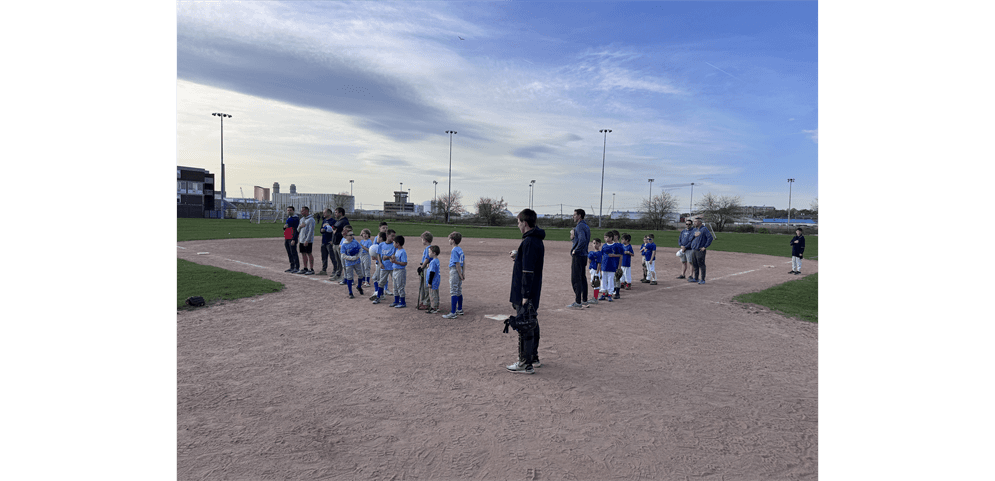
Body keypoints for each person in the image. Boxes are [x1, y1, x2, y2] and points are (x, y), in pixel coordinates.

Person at [506, 209, 545, 374]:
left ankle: (525, 363)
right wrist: (519, 256)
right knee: (532, 321)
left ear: (525, 223)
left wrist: (524, 295)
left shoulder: (529, 242)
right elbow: (529, 263)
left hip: (525, 292)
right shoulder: (534, 240)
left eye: (518, 222)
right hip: (531, 291)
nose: (518, 225)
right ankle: (533, 357)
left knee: (525, 325)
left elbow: (528, 272)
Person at [568, 209, 590, 309]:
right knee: (582, 277)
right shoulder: (585, 225)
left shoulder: (580, 226)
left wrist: (575, 250)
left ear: (579, 216)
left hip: (579, 255)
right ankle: (584, 300)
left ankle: (578, 301)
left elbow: (583, 240)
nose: (573, 216)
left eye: (574, 215)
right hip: (584, 255)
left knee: (576, 278)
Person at [441, 232, 465, 319]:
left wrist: (459, 274)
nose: (449, 241)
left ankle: (453, 312)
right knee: (458, 290)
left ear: (453, 241)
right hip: (460, 270)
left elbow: (457, 263)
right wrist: (463, 272)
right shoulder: (460, 249)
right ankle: (460, 309)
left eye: (450, 239)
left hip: (455, 271)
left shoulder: (454, 250)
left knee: (453, 290)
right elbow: (463, 262)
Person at [339, 227, 365, 298]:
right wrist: (351, 258)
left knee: (361, 275)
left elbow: (360, 249)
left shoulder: (355, 242)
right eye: (350, 235)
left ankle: (359, 286)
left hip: (357, 262)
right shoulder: (344, 245)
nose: (351, 236)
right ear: (345, 236)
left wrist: (357, 256)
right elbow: (343, 255)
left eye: (352, 235)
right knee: (349, 277)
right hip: (349, 263)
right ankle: (350, 292)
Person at [689, 217, 713, 285]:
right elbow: (690, 239)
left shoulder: (704, 229)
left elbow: (710, 238)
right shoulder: (694, 230)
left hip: (700, 250)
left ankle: (702, 279)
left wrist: (705, 247)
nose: (694, 223)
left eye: (696, 222)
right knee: (695, 264)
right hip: (694, 249)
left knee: (701, 264)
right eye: (694, 222)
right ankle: (696, 278)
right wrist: (694, 235)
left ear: (700, 222)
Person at [374, 230, 396, 305]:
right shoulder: (381, 244)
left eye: (394, 236)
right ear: (387, 235)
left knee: (396, 283)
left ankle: (398, 299)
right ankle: (378, 297)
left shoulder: (394, 245)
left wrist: (387, 257)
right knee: (381, 282)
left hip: (393, 267)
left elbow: (395, 255)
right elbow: (379, 255)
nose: (393, 237)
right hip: (384, 267)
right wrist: (380, 263)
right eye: (392, 236)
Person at [330, 207, 350, 281]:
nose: (335, 214)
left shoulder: (344, 221)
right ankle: (338, 274)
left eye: (336, 212)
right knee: (338, 260)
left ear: (340, 213)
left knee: (343, 261)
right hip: (335, 243)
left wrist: (337, 234)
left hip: (340, 244)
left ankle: (346, 276)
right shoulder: (338, 221)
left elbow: (346, 233)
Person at [416, 231, 434, 310]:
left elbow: (427, 259)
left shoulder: (428, 248)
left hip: (426, 268)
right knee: (422, 285)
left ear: (425, 240)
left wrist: (422, 267)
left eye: (422, 239)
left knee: (425, 286)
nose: (422, 241)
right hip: (425, 267)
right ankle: (423, 301)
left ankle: (426, 302)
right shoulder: (428, 248)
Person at [389, 235, 409, 308]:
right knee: (395, 286)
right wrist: (392, 259)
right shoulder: (397, 250)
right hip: (395, 270)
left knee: (400, 286)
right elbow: (395, 260)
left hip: (400, 271)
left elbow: (405, 263)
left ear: (398, 243)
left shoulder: (402, 252)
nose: (393, 244)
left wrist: (396, 262)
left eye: (394, 242)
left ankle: (403, 302)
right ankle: (396, 301)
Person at [296, 206, 315, 275]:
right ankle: (305, 268)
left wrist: (307, 240)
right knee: (303, 254)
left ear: (306, 211)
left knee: (309, 254)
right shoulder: (302, 219)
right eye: (301, 211)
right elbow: (298, 230)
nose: (301, 212)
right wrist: (300, 226)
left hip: (308, 241)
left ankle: (311, 269)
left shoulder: (311, 220)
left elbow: (311, 231)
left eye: (303, 211)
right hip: (301, 240)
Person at [424, 245, 442, 314]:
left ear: (434, 253)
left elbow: (432, 273)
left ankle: (433, 308)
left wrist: (429, 282)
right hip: (437, 280)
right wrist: (429, 266)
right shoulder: (436, 260)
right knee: (436, 294)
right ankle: (436, 306)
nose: (429, 253)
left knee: (432, 295)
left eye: (429, 252)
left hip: (433, 281)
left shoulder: (433, 262)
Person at [283, 206, 300, 273]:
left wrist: (294, 239)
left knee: (293, 252)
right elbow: (287, 228)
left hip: (292, 238)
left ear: (293, 211)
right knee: (289, 253)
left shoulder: (295, 219)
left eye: (290, 210)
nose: (289, 211)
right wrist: (284, 228)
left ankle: (296, 267)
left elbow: (296, 230)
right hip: (287, 237)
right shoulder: (289, 218)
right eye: (288, 210)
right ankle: (292, 266)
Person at [317, 209, 335, 275]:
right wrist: (322, 230)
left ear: (329, 213)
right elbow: (321, 229)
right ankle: (324, 270)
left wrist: (332, 241)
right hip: (324, 241)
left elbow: (334, 231)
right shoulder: (324, 220)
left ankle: (335, 270)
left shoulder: (333, 221)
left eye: (325, 212)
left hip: (329, 241)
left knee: (332, 256)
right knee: (324, 256)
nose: (323, 214)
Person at [587, 238, 603, 304]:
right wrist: (589, 257)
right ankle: (595, 297)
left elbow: (599, 263)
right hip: (592, 270)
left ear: (599, 244)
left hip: (596, 270)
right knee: (593, 284)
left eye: (597, 243)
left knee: (596, 284)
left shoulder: (599, 253)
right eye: (594, 243)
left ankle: (595, 298)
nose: (595, 245)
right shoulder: (591, 252)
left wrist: (598, 272)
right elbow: (589, 261)